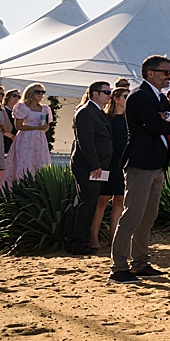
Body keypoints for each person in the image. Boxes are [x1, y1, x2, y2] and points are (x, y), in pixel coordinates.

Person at [111, 55, 170, 284]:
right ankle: (118, 266)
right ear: (150, 73)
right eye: (166, 72)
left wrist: (167, 115)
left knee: (148, 216)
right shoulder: (139, 96)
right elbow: (154, 125)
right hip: (140, 163)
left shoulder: (158, 97)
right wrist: (165, 119)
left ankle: (140, 262)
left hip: (156, 163)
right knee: (132, 216)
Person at [68, 81, 114, 255]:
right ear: (95, 93)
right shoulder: (86, 112)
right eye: (106, 92)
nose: (109, 95)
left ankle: (77, 242)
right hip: (88, 167)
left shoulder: (97, 112)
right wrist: (95, 165)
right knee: (87, 204)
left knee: (87, 203)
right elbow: (85, 141)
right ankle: (78, 244)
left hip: (97, 166)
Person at [91, 87, 130, 254]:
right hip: (108, 162)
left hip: (124, 162)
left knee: (120, 201)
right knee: (102, 200)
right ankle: (93, 237)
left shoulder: (130, 118)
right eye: (125, 96)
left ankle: (114, 238)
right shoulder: (107, 118)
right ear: (116, 98)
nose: (128, 99)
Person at [7, 82, 52, 184]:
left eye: (42, 92)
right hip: (25, 138)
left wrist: (44, 127)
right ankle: (20, 186)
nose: (41, 94)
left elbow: (46, 128)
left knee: (40, 163)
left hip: (40, 139)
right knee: (24, 163)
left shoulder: (45, 108)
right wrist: (36, 127)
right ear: (31, 92)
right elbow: (18, 126)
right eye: (38, 92)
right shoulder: (22, 107)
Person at [0, 85, 11, 190]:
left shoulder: (2, 110)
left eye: (2, 94)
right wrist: (0, 125)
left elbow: (8, 127)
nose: (1, 96)